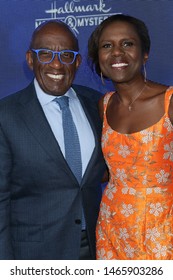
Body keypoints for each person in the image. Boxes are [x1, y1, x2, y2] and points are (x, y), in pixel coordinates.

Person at [0, 20, 106, 260]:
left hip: (96, 247)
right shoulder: (5, 115)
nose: (56, 64)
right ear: (30, 59)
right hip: (34, 254)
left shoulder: (97, 104)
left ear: (77, 62)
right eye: (45, 54)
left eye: (66, 55)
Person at [88, 14, 173, 260]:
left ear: (144, 53)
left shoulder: (168, 102)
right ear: (98, 57)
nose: (117, 52)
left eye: (127, 44)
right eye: (107, 46)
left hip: (162, 232)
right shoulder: (103, 106)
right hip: (111, 231)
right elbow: (107, 168)